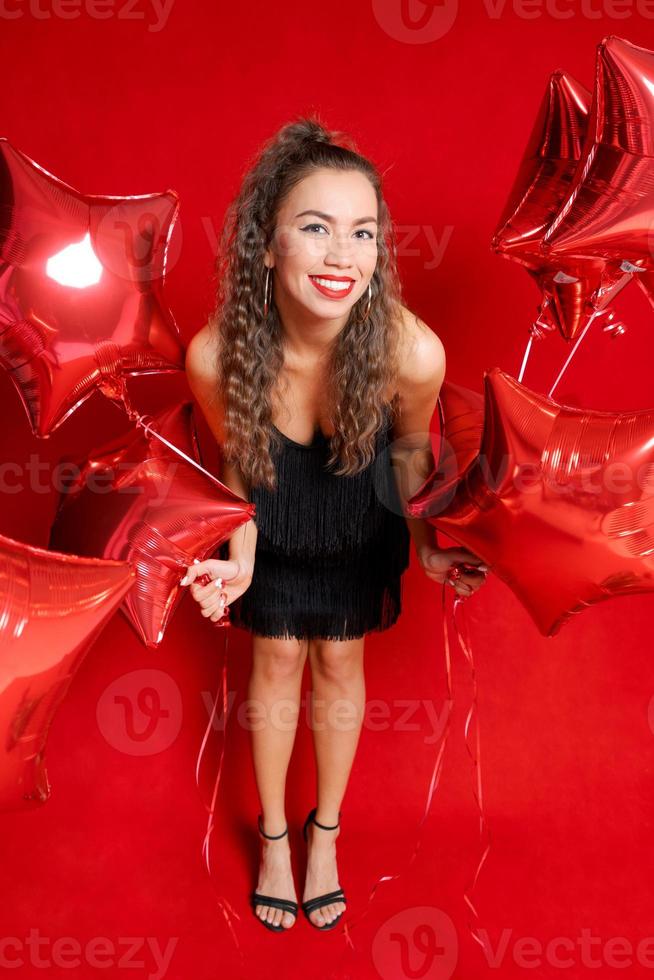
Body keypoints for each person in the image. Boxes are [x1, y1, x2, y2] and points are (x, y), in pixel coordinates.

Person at [183, 115, 488, 933]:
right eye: (315, 228)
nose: (341, 255)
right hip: (271, 507)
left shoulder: (410, 353)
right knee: (277, 657)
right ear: (267, 243)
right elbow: (239, 467)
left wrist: (427, 546)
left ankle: (326, 836)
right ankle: (275, 838)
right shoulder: (217, 356)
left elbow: (413, 457)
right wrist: (239, 558)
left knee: (338, 660)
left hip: (359, 507)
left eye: (363, 232)